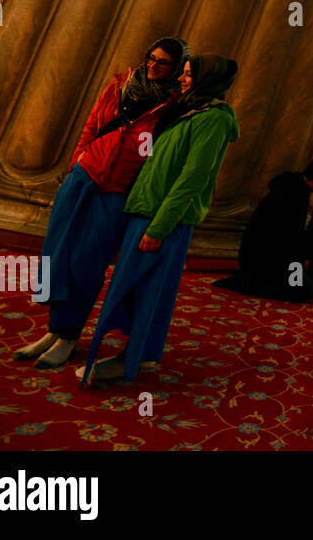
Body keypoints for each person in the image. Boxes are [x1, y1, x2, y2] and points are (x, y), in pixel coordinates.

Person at [14, 37, 188, 369]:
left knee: (86, 264)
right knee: (57, 255)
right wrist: (77, 164)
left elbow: (156, 156)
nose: (153, 65)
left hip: (116, 194)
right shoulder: (120, 87)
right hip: (83, 179)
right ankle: (53, 330)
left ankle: (68, 337)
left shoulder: (172, 108)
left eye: (163, 62)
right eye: (151, 58)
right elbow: (91, 127)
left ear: (175, 68)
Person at [77, 54, 239, 384]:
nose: (181, 78)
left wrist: (160, 227)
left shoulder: (215, 119)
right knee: (135, 289)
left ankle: (132, 359)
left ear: (207, 79)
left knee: (146, 290)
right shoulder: (190, 111)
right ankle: (141, 354)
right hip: (146, 211)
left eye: (189, 74)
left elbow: (193, 178)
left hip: (162, 220)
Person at [224, 158, 313, 301]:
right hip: (265, 260)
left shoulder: (295, 186)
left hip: (274, 255)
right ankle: (252, 285)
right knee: (306, 289)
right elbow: (288, 238)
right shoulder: (294, 195)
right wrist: (300, 261)